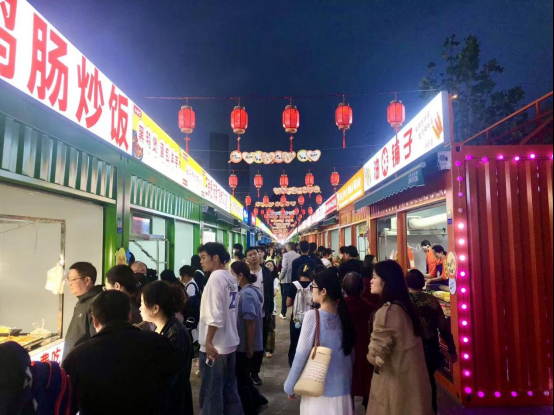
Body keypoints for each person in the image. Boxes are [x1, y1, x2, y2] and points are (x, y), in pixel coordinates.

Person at [63, 290, 178, 415]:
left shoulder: (77, 356)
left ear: (95, 321)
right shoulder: (159, 343)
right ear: (129, 316)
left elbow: (66, 405)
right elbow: (171, 387)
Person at [285, 270, 356, 414]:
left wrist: (290, 385)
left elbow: (301, 354)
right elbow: (351, 354)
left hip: (318, 389)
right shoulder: (344, 315)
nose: (311, 290)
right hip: (343, 389)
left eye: (313, 287)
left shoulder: (312, 316)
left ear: (323, 291)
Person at [368, 260, 433, 415]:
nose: (371, 281)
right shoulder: (405, 307)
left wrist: (371, 356)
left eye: (374, 277)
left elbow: (377, 353)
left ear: (385, 281)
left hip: (394, 387)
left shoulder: (386, 313)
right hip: (413, 384)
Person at [197, 243, 243, 415]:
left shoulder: (215, 278)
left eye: (203, 257)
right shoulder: (230, 277)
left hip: (215, 346)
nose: (201, 262)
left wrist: (208, 341)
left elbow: (215, 314)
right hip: (229, 343)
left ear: (215, 257)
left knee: (211, 392)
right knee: (229, 390)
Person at [407, 269, 458, 414]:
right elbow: (443, 327)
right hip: (430, 348)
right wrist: (452, 349)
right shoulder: (431, 300)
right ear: (422, 283)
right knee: (429, 381)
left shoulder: (403, 302)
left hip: (410, 348)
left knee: (411, 383)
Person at [141, 281, 193, 415]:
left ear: (155, 308)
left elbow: (171, 375)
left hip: (173, 402)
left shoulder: (175, 334)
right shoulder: (160, 326)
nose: (140, 308)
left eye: (142, 303)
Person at [230, 261, 269, 415]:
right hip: (248, 343)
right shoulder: (250, 290)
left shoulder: (246, 294)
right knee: (243, 378)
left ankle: (251, 408)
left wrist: (249, 347)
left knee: (241, 379)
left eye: (232, 274)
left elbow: (250, 321)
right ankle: (259, 401)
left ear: (240, 276)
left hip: (245, 345)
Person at [342, 272, 377, 411]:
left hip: (345, 349)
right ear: (362, 288)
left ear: (343, 288)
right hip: (366, 350)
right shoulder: (371, 308)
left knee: (347, 385)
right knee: (368, 384)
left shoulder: (338, 307)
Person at [245, 247, 275, 386]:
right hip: (247, 315)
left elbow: (270, 293)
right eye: (250, 255)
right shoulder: (244, 274)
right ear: (246, 259)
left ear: (259, 255)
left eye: (255, 254)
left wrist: (269, 311)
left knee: (260, 345)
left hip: (263, 315)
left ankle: (255, 373)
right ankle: (246, 371)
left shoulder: (266, 273)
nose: (253, 256)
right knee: (246, 343)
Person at [63, 262, 103, 360]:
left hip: (82, 361)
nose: (69, 284)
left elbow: (96, 340)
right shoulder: (82, 301)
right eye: (68, 280)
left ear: (87, 280)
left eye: (73, 280)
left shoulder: (96, 303)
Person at [286, 265, 314, 366]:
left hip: (296, 320)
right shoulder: (314, 285)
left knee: (295, 341)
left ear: (299, 273)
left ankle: (293, 363)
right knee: (309, 341)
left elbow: (288, 303)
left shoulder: (293, 285)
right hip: (311, 319)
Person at [180, 265, 201, 344]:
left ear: (186, 275)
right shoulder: (190, 283)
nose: (181, 278)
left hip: (191, 312)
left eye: (182, 275)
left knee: (191, 328)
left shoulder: (191, 286)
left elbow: (188, 301)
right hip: (193, 312)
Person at [280, 242, 301, 319]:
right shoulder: (298, 255)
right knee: (295, 296)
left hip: (286, 279)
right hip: (295, 280)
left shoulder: (285, 255)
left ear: (288, 247)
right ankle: (294, 313)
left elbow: (284, 267)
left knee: (285, 296)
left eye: (286, 246)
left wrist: (280, 276)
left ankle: (283, 313)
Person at [265, 260, 280, 358]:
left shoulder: (275, 279)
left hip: (271, 306)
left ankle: (269, 349)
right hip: (262, 306)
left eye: (271, 265)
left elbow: (274, 292)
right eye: (267, 265)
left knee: (270, 327)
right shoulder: (262, 277)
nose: (269, 266)